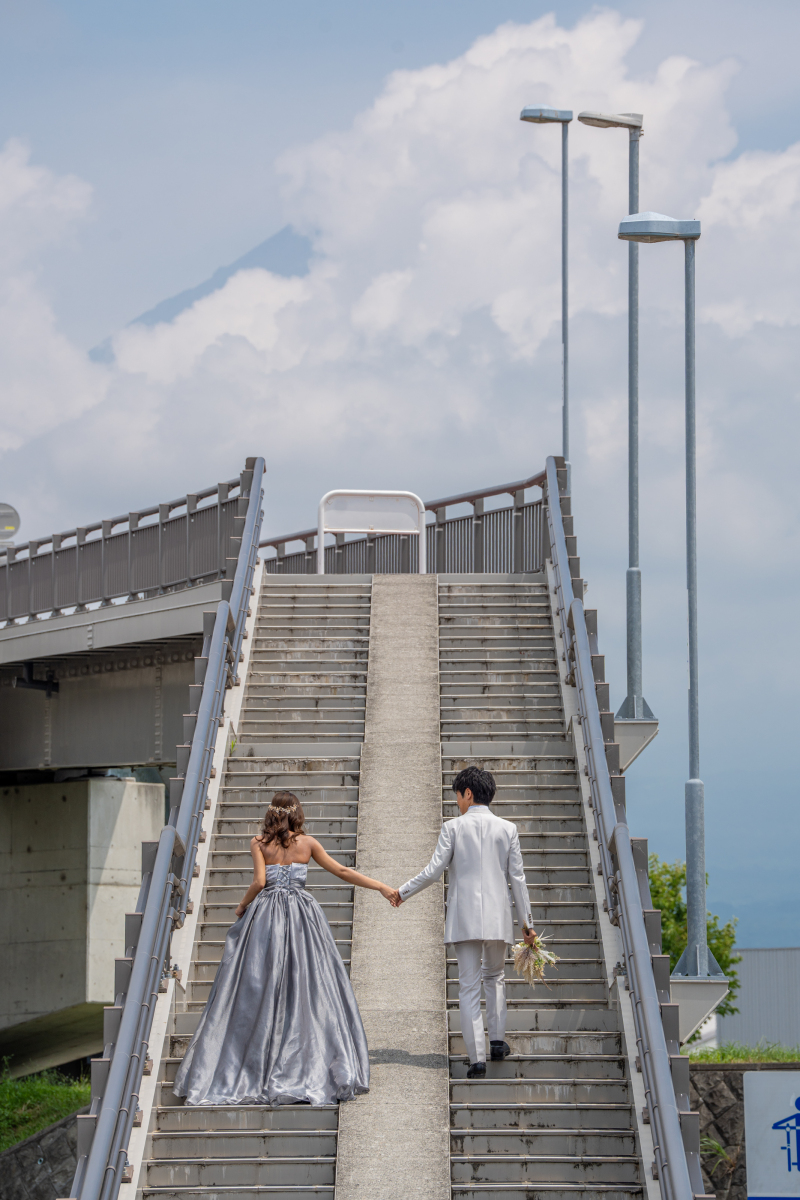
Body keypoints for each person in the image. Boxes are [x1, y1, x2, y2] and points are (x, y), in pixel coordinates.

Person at [173, 790, 396, 1106]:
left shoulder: (258, 843)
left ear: (271, 813)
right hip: (302, 916)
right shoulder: (308, 843)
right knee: (308, 982)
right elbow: (343, 871)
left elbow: (259, 882)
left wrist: (241, 906)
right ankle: (306, 1063)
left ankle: (250, 1064)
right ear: (297, 813)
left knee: (259, 983)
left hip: (266, 917)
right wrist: (382, 887)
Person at [388, 765, 536, 1077]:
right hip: (497, 917)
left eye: (458, 795)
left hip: (464, 917)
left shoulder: (452, 828)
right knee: (495, 977)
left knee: (468, 986)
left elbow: (433, 871)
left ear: (468, 793)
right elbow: (518, 879)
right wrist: (527, 924)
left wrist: (402, 892)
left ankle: (477, 1060)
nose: (457, 801)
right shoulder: (508, 829)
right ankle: (497, 1042)